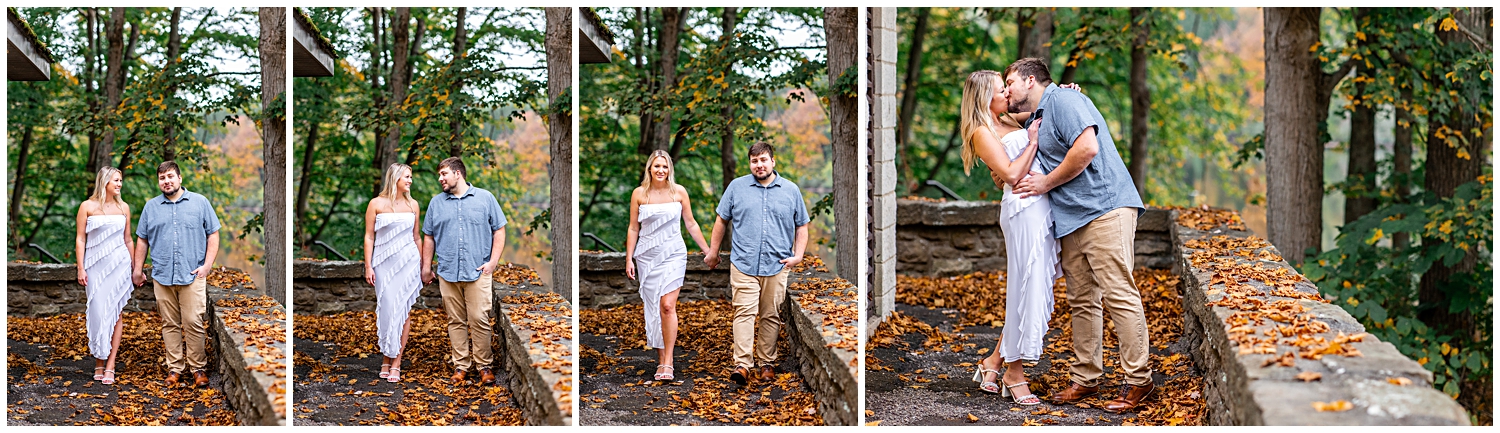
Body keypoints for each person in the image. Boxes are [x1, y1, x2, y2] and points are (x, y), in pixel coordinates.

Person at [1005, 57, 1153, 413]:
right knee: (1082, 301)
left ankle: (1139, 381)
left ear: (1029, 80)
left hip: (1105, 209)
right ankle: (1086, 378)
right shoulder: (1040, 113)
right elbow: (997, 117)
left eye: (1010, 82)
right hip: (1072, 219)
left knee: (1119, 294)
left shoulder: (1065, 101)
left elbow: (1087, 148)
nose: (1006, 90)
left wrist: (1044, 183)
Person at [957, 70, 1070, 406]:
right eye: (999, 89)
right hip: (1022, 210)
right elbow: (1008, 174)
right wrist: (1032, 141)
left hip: (1041, 205)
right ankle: (1014, 373)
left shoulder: (1010, 116)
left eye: (1006, 87)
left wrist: (1062, 91)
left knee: (1030, 287)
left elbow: (1043, 105)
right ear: (983, 97)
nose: (1007, 92)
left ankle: (993, 363)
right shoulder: (982, 130)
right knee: (1025, 288)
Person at [704, 142, 810, 386]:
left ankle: (766, 363)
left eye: (763, 160)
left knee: (770, 315)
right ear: (749, 163)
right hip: (743, 262)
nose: (759, 165)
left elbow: (802, 225)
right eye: (754, 161)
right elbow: (721, 220)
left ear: (773, 161)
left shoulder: (791, 190)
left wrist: (798, 255)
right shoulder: (736, 188)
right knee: (744, 312)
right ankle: (742, 365)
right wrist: (713, 251)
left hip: (777, 263)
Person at [132, 161, 221, 389]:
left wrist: (207, 265)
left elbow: (213, 234)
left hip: (192, 274)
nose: (166, 181)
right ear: (159, 181)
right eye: (162, 178)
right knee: (169, 324)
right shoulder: (151, 207)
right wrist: (137, 268)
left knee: (193, 322)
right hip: (162, 275)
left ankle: (198, 369)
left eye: (170, 176)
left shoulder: (200, 202)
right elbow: (142, 239)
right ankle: (175, 369)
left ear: (180, 178)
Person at [625, 150, 711, 382]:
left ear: (670, 169)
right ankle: (660, 359)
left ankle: (669, 361)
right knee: (653, 308)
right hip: (647, 256)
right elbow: (633, 228)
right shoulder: (639, 194)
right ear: (649, 169)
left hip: (673, 253)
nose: (661, 170)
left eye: (665, 166)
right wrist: (629, 258)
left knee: (667, 305)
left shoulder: (679, 192)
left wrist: (708, 251)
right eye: (656, 166)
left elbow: (691, 224)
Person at [420, 157, 507, 385]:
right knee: (455, 321)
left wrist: (493, 262)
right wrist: (426, 267)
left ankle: (484, 365)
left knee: (479, 319)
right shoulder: (436, 203)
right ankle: (461, 367)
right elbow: (428, 236)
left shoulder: (485, 198)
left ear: (458, 174)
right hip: (448, 272)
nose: (440, 179)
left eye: (444, 174)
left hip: (478, 271)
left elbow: (499, 229)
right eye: (439, 175)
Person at [365, 163, 422, 383]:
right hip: (383, 263)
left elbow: (417, 237)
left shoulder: (413, 204)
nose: (410, 181)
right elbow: (369, 236)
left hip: (408, 263)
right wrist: (368, 266)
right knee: (388, 309)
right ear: (395, 178)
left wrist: (423, 267)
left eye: (411, 177)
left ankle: (396, 362)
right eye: (407, 177)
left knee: (403, 310)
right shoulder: (376, 204)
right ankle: (386, 358)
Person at [77, 167, 134, 385]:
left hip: (119, 265)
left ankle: (109, 365)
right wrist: (81, 268)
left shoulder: (124, 207)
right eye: (115, 180)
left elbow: (128, 239)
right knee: (99, 312)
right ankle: (99, 360)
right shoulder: (87, 206)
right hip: (94, 266)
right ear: (104, 182)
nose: (119, 184)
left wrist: (136, 268)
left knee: (116, 312)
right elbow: (81, 239)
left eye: (121, 180)